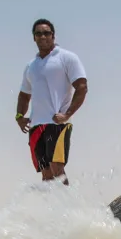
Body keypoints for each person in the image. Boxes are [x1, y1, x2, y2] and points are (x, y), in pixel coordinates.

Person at [15, 18, 88, 185]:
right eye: (38, 34)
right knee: (46, 174)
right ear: (34, 38)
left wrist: (67, 114)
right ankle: (52, 210)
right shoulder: (31, 66)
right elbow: (24, 95)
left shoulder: (67, 58)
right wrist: (19, 116)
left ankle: (69, 208)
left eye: (46, 33)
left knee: (57, 168)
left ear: (53, 36)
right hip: (36, 126)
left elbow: (82, 87)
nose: (42, 37)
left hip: (57, 123)